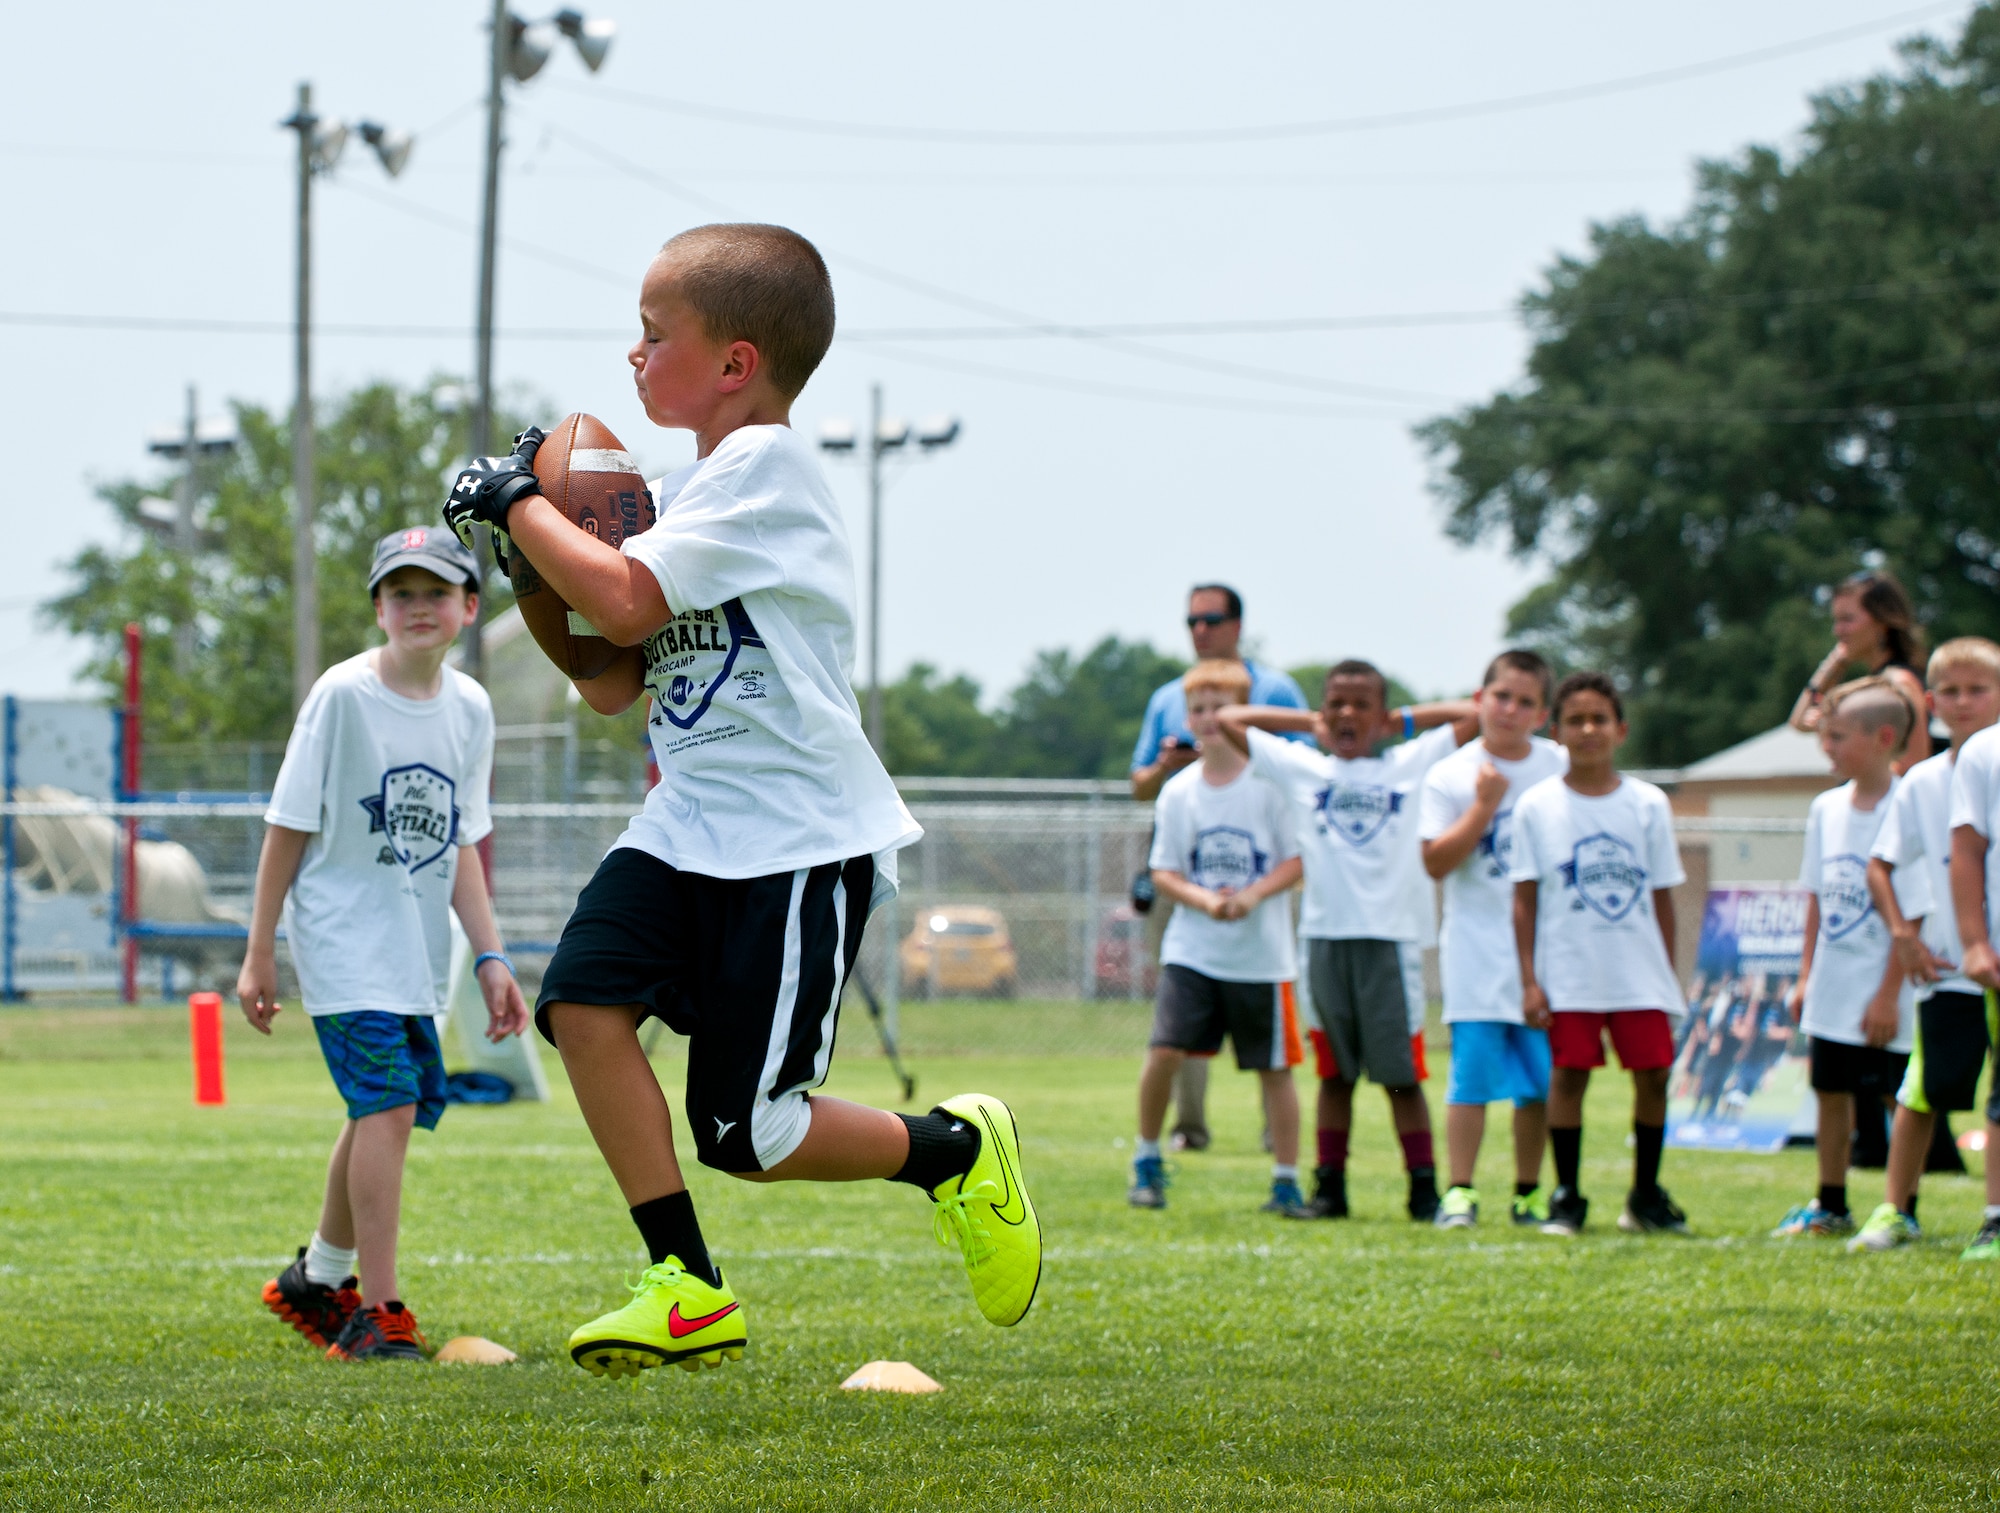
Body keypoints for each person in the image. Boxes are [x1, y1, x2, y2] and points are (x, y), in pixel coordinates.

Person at [439, 223, 1041, 1377]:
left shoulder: (768, 468)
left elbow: (623, 602)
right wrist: (532, 560)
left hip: (796, 835)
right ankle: (686, 1286)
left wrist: (524, 503)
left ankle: (953, 1150)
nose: (632, 355)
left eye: (655, 334)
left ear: (734, 364)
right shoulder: (678, 492)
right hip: (687, 824)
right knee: (581, 1004)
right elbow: (613, 676)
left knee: (747, 1134)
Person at [241, 527, 530, 1361]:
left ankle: (317, 1278)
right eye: (400, 593)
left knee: (385, 1106)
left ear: (470, 608)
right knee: (388, 1104)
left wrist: (491, 955)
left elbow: (465, 843)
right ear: (377, 607)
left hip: (416, 952)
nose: (417, 607)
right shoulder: (342, 697)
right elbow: (286, 825)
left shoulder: (471, 708)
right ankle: (382, 1305)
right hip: (340, 940)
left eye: (436, 592)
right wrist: (260, 949)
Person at [1218, 662, 1477, 1221]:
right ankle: (1329, 1188)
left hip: (1390, 941)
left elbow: (1473, 714)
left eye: (1362, 705)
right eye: (1336, 703)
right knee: (1335, 1073)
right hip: (1324, 940)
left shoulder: (1409, 765)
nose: (1347, 715)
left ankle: (1423, 1189)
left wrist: (1399, 721)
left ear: (1382, 716)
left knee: (1400, 1076)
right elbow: (1229, 717)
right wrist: (1309, 721)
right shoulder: (1303, 767)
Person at [1130, 584, 1310, 1151]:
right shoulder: (1168, 696)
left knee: (1270, 1040)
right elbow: (1139, 785)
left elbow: (1306, 764)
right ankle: (1187, 1128)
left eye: (1210, 619)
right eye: (1191, 621)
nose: (1200, 630)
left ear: (1236, 623)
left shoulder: (1276, 687)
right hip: (1187, 868)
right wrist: (1167, 764)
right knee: (1178, 1027)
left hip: (1264, 870)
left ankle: (1273, 1140)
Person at [1509, 671, 1688, 1237]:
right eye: (1576, 720)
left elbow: (1663, 897)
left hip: (1637, 970)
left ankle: (1645, 1194)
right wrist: (1530, 980)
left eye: (1600, 719)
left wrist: (1667, 972)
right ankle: (1566, 1194)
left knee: (1654, 1075)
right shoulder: (1537, 805)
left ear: (1621, 729)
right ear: (1556, 730)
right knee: (1569, 1076)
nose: (1589, 730)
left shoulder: (1648, 803)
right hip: (1570, 969)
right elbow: (1524, 901)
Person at [1768, 678, 1924, 1240]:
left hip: (1889, 985)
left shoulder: (1912, 803)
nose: (1825, 747)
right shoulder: (1826, 808)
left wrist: (1888, 992)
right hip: (1833, 983)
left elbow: (1915, 908)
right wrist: (1806, 974)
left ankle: (1901, 1205)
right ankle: (1830, 1203)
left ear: (1883, 738)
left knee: (1898, 1094)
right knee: (1830, 1090)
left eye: (1837, 737)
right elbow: (1816, 894)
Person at [1418, 649, 1566, 1229]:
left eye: (1525, 701)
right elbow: (1435, 862)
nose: (1510, 710)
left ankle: (1528, 1192)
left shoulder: (1558, 767)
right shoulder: (1451, 774)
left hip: (1545, 957)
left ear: (1542, 714)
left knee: (1536, 1084)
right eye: (1501, 696)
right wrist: (1484, 806)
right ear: (1479, 700)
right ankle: (1460, 1190)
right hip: (1476, 952)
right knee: (1470, 1079)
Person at [1860, 638, 2000, 1253]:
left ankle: (1993, 1215)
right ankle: (1895, 1209)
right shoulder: (1920, 783)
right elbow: (1881, 865)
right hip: (1951, 967)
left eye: (1979, 689)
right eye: (1951, 691)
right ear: (1929, 700)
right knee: (1924, 1091)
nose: (1964, 702)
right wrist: (1905, 938)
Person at [1789, 568, 1931, 772]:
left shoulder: (1899, 681)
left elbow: (1914, 764)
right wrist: (1836, 662)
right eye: (1836, 620)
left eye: (1847, 619)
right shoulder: (1880, 679)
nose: (1837, 630)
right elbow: (1799, 721)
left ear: (1882, 621)